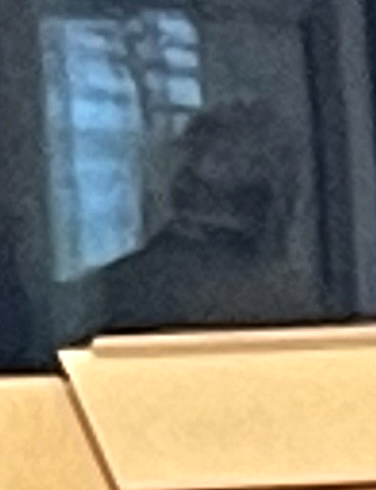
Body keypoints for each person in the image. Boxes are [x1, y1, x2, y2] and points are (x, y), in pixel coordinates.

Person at [83, 100, 322, 336]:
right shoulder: (295, 300)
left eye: (225, 159)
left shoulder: (125, 287)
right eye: (197, 154)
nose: (193, 168)